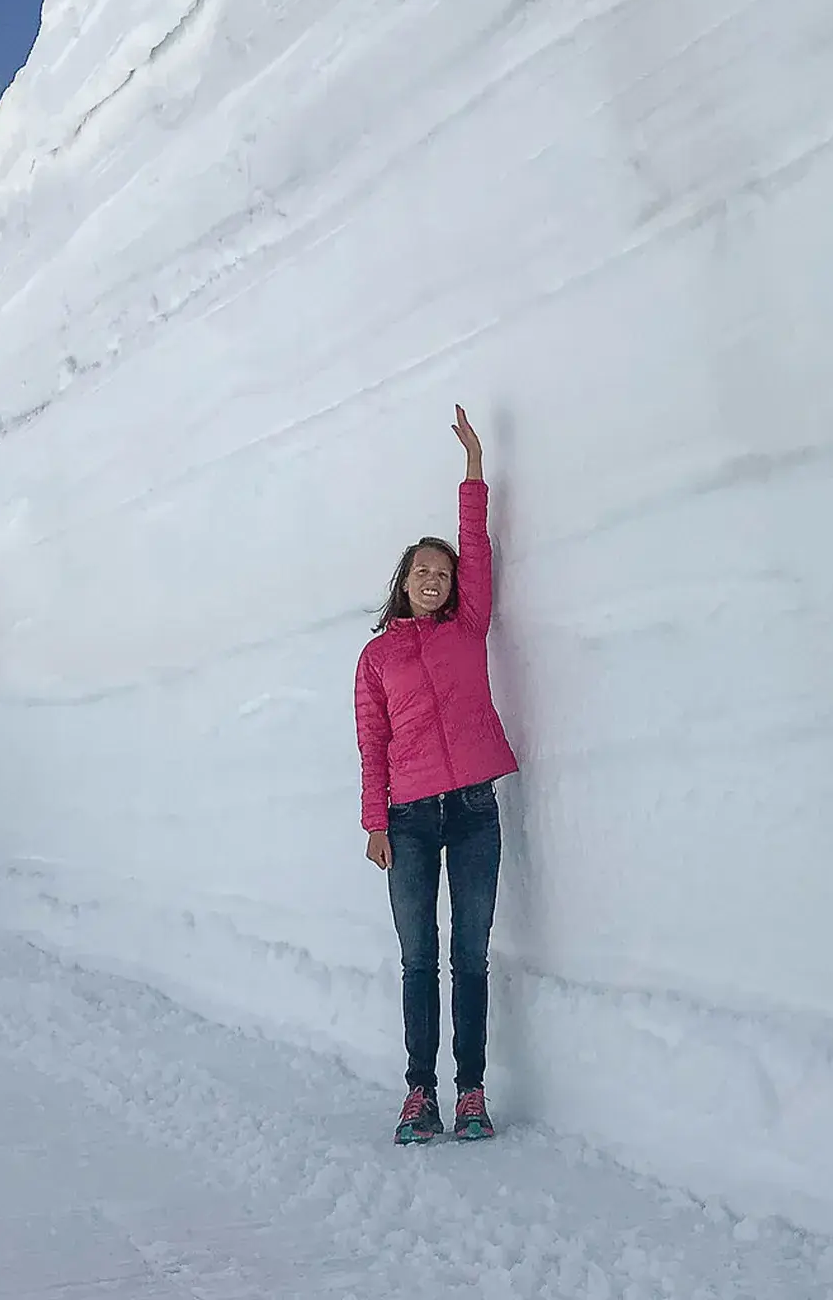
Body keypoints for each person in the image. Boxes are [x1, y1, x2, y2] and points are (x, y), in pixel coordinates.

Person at [354, 405, 520, 1144]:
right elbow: (373, 744)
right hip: (411, 819)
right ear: (404, 581)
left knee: (471, 957)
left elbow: (478, 551)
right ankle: (419, 1094)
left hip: (476, 808)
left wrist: (475, 472)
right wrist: (374, 823)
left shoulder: (467, 627)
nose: (434, 579)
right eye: (422, 571)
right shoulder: (377, 658)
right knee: (419, 958)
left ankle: (472, 1093)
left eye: (442, 573)